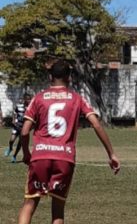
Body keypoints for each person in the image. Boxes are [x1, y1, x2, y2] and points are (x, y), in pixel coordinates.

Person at [18, 60, 120, 224]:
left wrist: (26, 153)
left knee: (30, 203)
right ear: (69, 78)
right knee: (58, 209)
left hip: (40, 157)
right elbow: (96, 124)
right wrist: (111, 154)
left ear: (50, 76)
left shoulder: (38, 98)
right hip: (64, 158)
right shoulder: (76, 99)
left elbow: (24, 132)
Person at [4, 93, 32, 163]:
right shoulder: (19, 106)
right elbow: (15, 112)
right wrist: (13, 119)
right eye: (27, 99)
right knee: (11, 140)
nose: (29, 100)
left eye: (30, 99)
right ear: (24, 99)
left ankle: (14, 156)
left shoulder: (30, 108)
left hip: (23, 128)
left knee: (20, 143)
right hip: (17, 126)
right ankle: (10, 148)